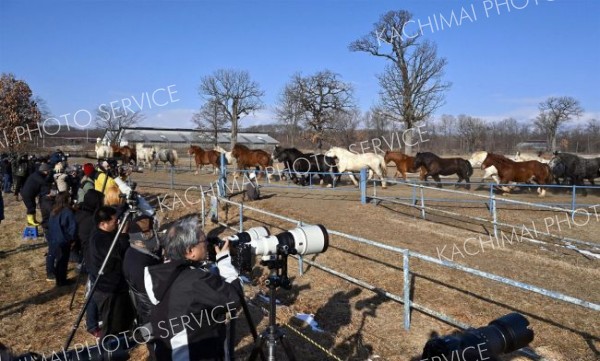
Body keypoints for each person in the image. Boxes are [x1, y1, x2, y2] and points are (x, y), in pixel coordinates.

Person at [145, 215, 242, 361]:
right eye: (204, 241)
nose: (207, 244)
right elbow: (235, 298)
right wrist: (224, 261)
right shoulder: (196, 280)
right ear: (190, 251)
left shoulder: (162, 274)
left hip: (168, 353)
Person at [88, 206, 134, 338]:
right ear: (103, 224)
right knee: (112, 325)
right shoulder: (100, 240)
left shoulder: (106, 233)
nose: (117, 223)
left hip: (118, 286)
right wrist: (124, 234)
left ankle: (124, 340)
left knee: (124, 318)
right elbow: (120, 253)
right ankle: (108, 350)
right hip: (109, 290)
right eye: (114, 221)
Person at [122, 215, 162, 360]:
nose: (154, 236)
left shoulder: (138, 252)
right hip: (152, 315)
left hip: (149, 313)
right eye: (149, 234)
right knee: (158, 350)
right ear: (139, 238)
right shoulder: (138, 264)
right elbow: (156, 291)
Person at [75, 189, 104, 337]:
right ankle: (92, 324)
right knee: (93, 292)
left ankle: (95, 319)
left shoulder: (82, 213)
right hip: (93, 259)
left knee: (92, 288)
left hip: (88, 257)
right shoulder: (90, 221)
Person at [46, 192, 77, 287]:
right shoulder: (68, 212)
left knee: (56, 258)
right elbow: (73, 227)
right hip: (63, 240)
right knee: (63, 261)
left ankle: (56, 276)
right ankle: (61, 281)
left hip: (53, 238)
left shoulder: (54, 210)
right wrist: (72, 239)